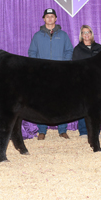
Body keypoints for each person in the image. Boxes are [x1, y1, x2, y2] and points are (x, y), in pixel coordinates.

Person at [28, 8, 73, 140]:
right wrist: (38, 67)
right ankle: (42, 130)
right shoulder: (37, 36)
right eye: (47, 16)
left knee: (61, 101)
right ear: (44, 19)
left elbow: (69, 51)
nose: (49, 18)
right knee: (42, 103)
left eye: (52, 16)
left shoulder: (63, 35)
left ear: (56, 18)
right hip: (43, 74)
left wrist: (63, 66)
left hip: (60, 73)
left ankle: (62, 129)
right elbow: (32, 52)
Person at [72, 25, 101, 137]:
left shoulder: (98, 48)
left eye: (88, 32)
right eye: (83, 32)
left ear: (91, 33)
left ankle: (95, 130)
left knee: (96, 107)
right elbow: (74, 67)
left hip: (96, 82)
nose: (86, 34)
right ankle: (84, 131)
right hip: (82, 82)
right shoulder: (77, 49)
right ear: (81, 35)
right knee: (83, 106)